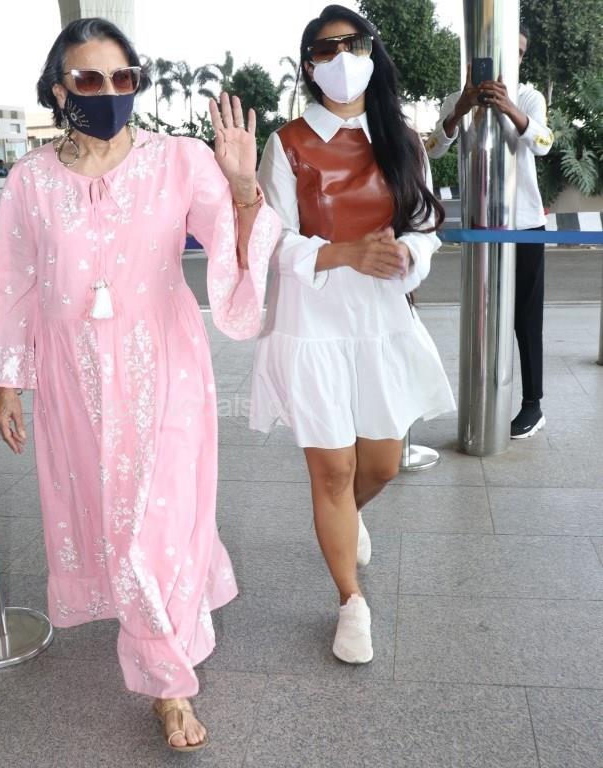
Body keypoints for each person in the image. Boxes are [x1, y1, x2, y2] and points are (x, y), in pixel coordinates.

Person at [0, 17, 280, 752]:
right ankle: (167, 634)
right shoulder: (31, 181)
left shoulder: (179, 160)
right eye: (90, 79)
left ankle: (170, 686)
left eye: (124, 78)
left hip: (165, 367)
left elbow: (234, 243)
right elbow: (13, 281)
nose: (110, 92)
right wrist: (9, 382)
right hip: (73, 380)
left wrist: (243, 188)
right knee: (115, 515)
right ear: (59, 90)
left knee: (159, 519)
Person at [250, 5, 455, 663]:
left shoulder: (402, 139)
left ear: (372, 52)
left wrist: (406, 253)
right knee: (333, 470)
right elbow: (273, 240)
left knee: (381, 464)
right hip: (311, 325)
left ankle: (343, 517)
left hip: (380, 321)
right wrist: (346, 254)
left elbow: (425, 228)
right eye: (324, 48)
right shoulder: (287, 143)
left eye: (353, 43)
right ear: (309, 66)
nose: (340, 57)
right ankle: (350, 601)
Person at [426, 24, 554, 439]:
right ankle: (481, 401)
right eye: (505, 49)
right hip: (479, 225)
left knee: (525, 318)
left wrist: (510, 108)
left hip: (525, 224)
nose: (512, 58)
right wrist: (461, 108)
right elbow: (434, 148)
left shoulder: (529, 97)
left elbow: (544, 143)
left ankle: (533, 405)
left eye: (519, 52)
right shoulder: (457, 98)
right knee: (481, 315)